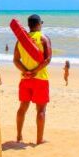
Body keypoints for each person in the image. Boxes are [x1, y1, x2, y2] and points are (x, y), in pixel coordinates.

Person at [13, 14, 52, 145]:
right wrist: (35, 71)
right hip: (40, 78)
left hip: (25, 79)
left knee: (22, 108)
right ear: (39, 24)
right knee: (41, 110)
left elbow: (16, 60)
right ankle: (39, 140)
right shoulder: (43, 38)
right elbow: (47, 59)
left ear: (29, 25)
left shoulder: (21, 40)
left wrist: (26, 71)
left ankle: (19, 136)